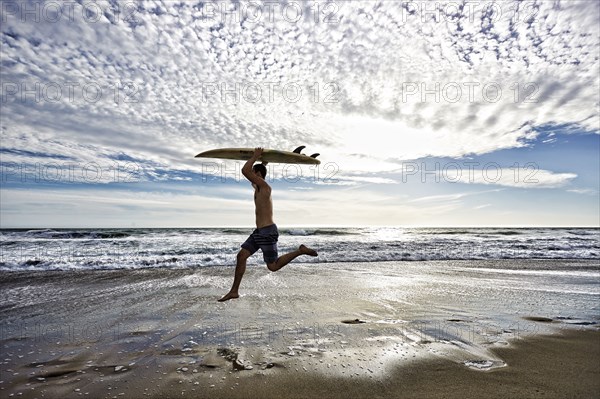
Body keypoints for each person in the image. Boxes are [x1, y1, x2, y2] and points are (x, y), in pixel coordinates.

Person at [218, 147, 318, 302]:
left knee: (273, 267)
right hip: (258, 232)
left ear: (258, 175)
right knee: (241, 256)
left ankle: (300, 250)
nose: (251, 177)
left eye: (254, 174)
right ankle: (234, 291)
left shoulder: (265, 188)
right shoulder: (257, 187)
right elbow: (251, 172)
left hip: (268, 232)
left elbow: (245, 170)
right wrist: (264, 160)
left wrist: (255, 156)